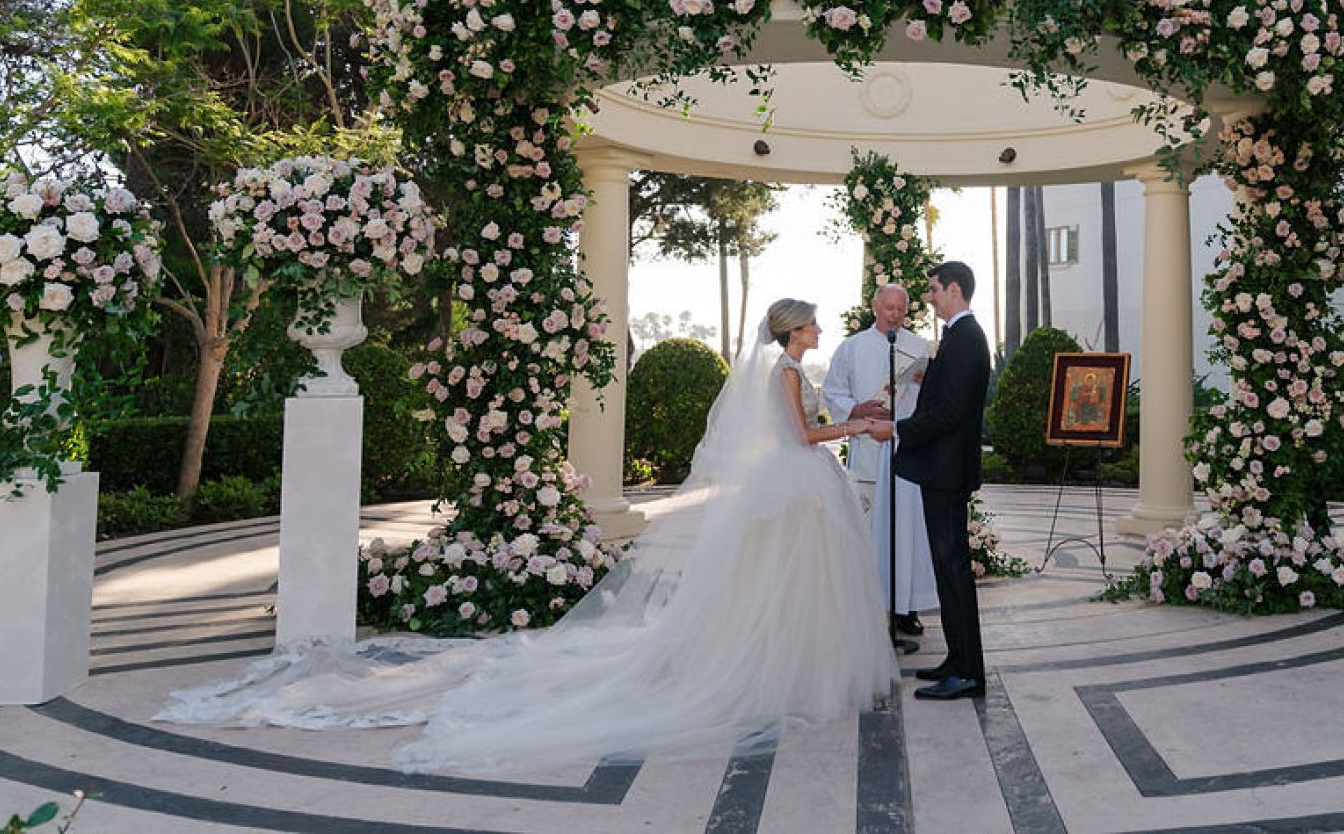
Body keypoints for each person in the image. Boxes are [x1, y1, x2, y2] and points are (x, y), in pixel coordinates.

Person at [156, 299, 896, 773]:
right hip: (797, 485)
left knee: (774, 585)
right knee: (792, 583)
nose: (820, 332)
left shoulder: (773, 366)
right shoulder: (789, 373)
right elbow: (802, 437)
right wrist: (857, 426)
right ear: (793, 329)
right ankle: (789, 670)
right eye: (813, 325)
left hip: (783, 492)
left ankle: (781, 664)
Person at [866, 261, 991, 701]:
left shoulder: (965, 338)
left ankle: (970, 673)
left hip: (947, 471)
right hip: (943, 470)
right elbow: (948, 396)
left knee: (954, 571)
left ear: (954, 289)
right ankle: (957, 659)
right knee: (946, 570)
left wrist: (897, 429)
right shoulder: (958, 337)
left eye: (934, 289)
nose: (930, 297)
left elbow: (951, 412)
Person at [822, 283, 939, 639]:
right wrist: (855, 409)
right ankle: (871, 607)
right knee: (870, 531)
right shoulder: (852, 348)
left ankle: (906, 608)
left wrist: (924, 383)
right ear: (875, 307)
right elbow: (832, 390)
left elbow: (932, 401)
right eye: (888, 307)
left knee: (906, 530)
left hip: (907, 447)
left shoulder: (918, 348)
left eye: (900, 309)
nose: (894, 315)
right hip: (869, 451)